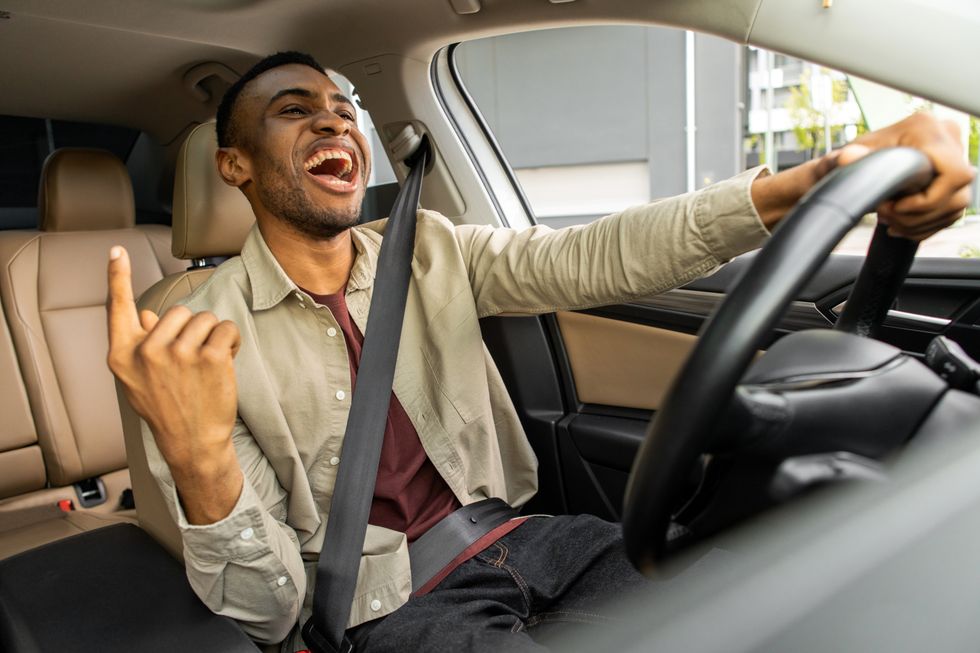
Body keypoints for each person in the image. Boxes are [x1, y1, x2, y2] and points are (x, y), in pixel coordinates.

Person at [106, 51, 974, 652]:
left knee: (749, 611)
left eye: (343, 110)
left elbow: (593, 254)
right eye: (294, 112)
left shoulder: (431, 246)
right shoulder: (186, 338)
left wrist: (803, 186)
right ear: (235, 165)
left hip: (530, 536)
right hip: (386, 604)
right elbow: (268, 613)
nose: (334, 123)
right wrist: (198, 453)